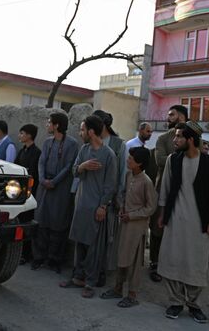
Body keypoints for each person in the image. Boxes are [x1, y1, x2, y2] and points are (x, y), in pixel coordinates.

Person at [157, 121, 209, 323]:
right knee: (172, 259)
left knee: (196, 263)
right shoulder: (172, 160)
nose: (174, 140)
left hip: (199, 223)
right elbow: (165, 190)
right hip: (175, 221)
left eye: (178, 137)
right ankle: (176, 302)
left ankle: (194, 305)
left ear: (191, 140)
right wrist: (162, 214)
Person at [59, 115, 117, 299]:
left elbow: (111, 185)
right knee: (79, 242)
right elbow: (74, 170)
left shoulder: (108, 155)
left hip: (96, 206)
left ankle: (90, 282)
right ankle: (77, 277)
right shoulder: (83, 150)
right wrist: (83, 166)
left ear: (91, 131)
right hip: (81, 203)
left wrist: (102, 206)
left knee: (93, 246)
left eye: (83, 130)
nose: (80, 133)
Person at [99, 147, 157, 308]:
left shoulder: (146, 181)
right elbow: (124, 195)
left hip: (137, 227)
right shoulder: (128, 175)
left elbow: (150, 207)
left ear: (139, 163)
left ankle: (132, 294)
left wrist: (132, 215)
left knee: (135, 261)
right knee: (122, 257)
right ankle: (118, 288)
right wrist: (122, 206)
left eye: (131, 158)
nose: (128, 160)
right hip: (124, 224)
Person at [32, 113, 79, 273]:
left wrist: (54, 182)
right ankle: (39, 257)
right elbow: (41, 161)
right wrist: (42, 179)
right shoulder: (47, 143)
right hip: (44, 186)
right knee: (41, 222)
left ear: (57, 125)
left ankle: (54, 259)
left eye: (49, 122)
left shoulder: (72, 144)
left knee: (58, 225)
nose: (47, 125)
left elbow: (68, 167)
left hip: (60, 189)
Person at [150, 104, 188, 282]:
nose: (168, 117)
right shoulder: (163, 138)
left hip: (185, 190)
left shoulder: (193, 138)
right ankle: (155, 263)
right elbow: (159, 160)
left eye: (171, 114)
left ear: (181, 117)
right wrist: (184, 159)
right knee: (158, 226)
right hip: (163, 188)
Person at [92, 110, 125, 287]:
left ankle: (102, 271)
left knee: (107, 239)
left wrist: (117, 200)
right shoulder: (91, 143)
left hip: (109, 201)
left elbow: (122, 174)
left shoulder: (118, 144)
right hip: (91, 197)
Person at [15, 123, 42, 265]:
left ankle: (26, 254)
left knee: (26, 224)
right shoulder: (22, 151)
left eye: (22, 133)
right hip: (17, 194)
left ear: (29, 135)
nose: (20, 136)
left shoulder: (36, 153)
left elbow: (32, 174)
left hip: (29, 194)